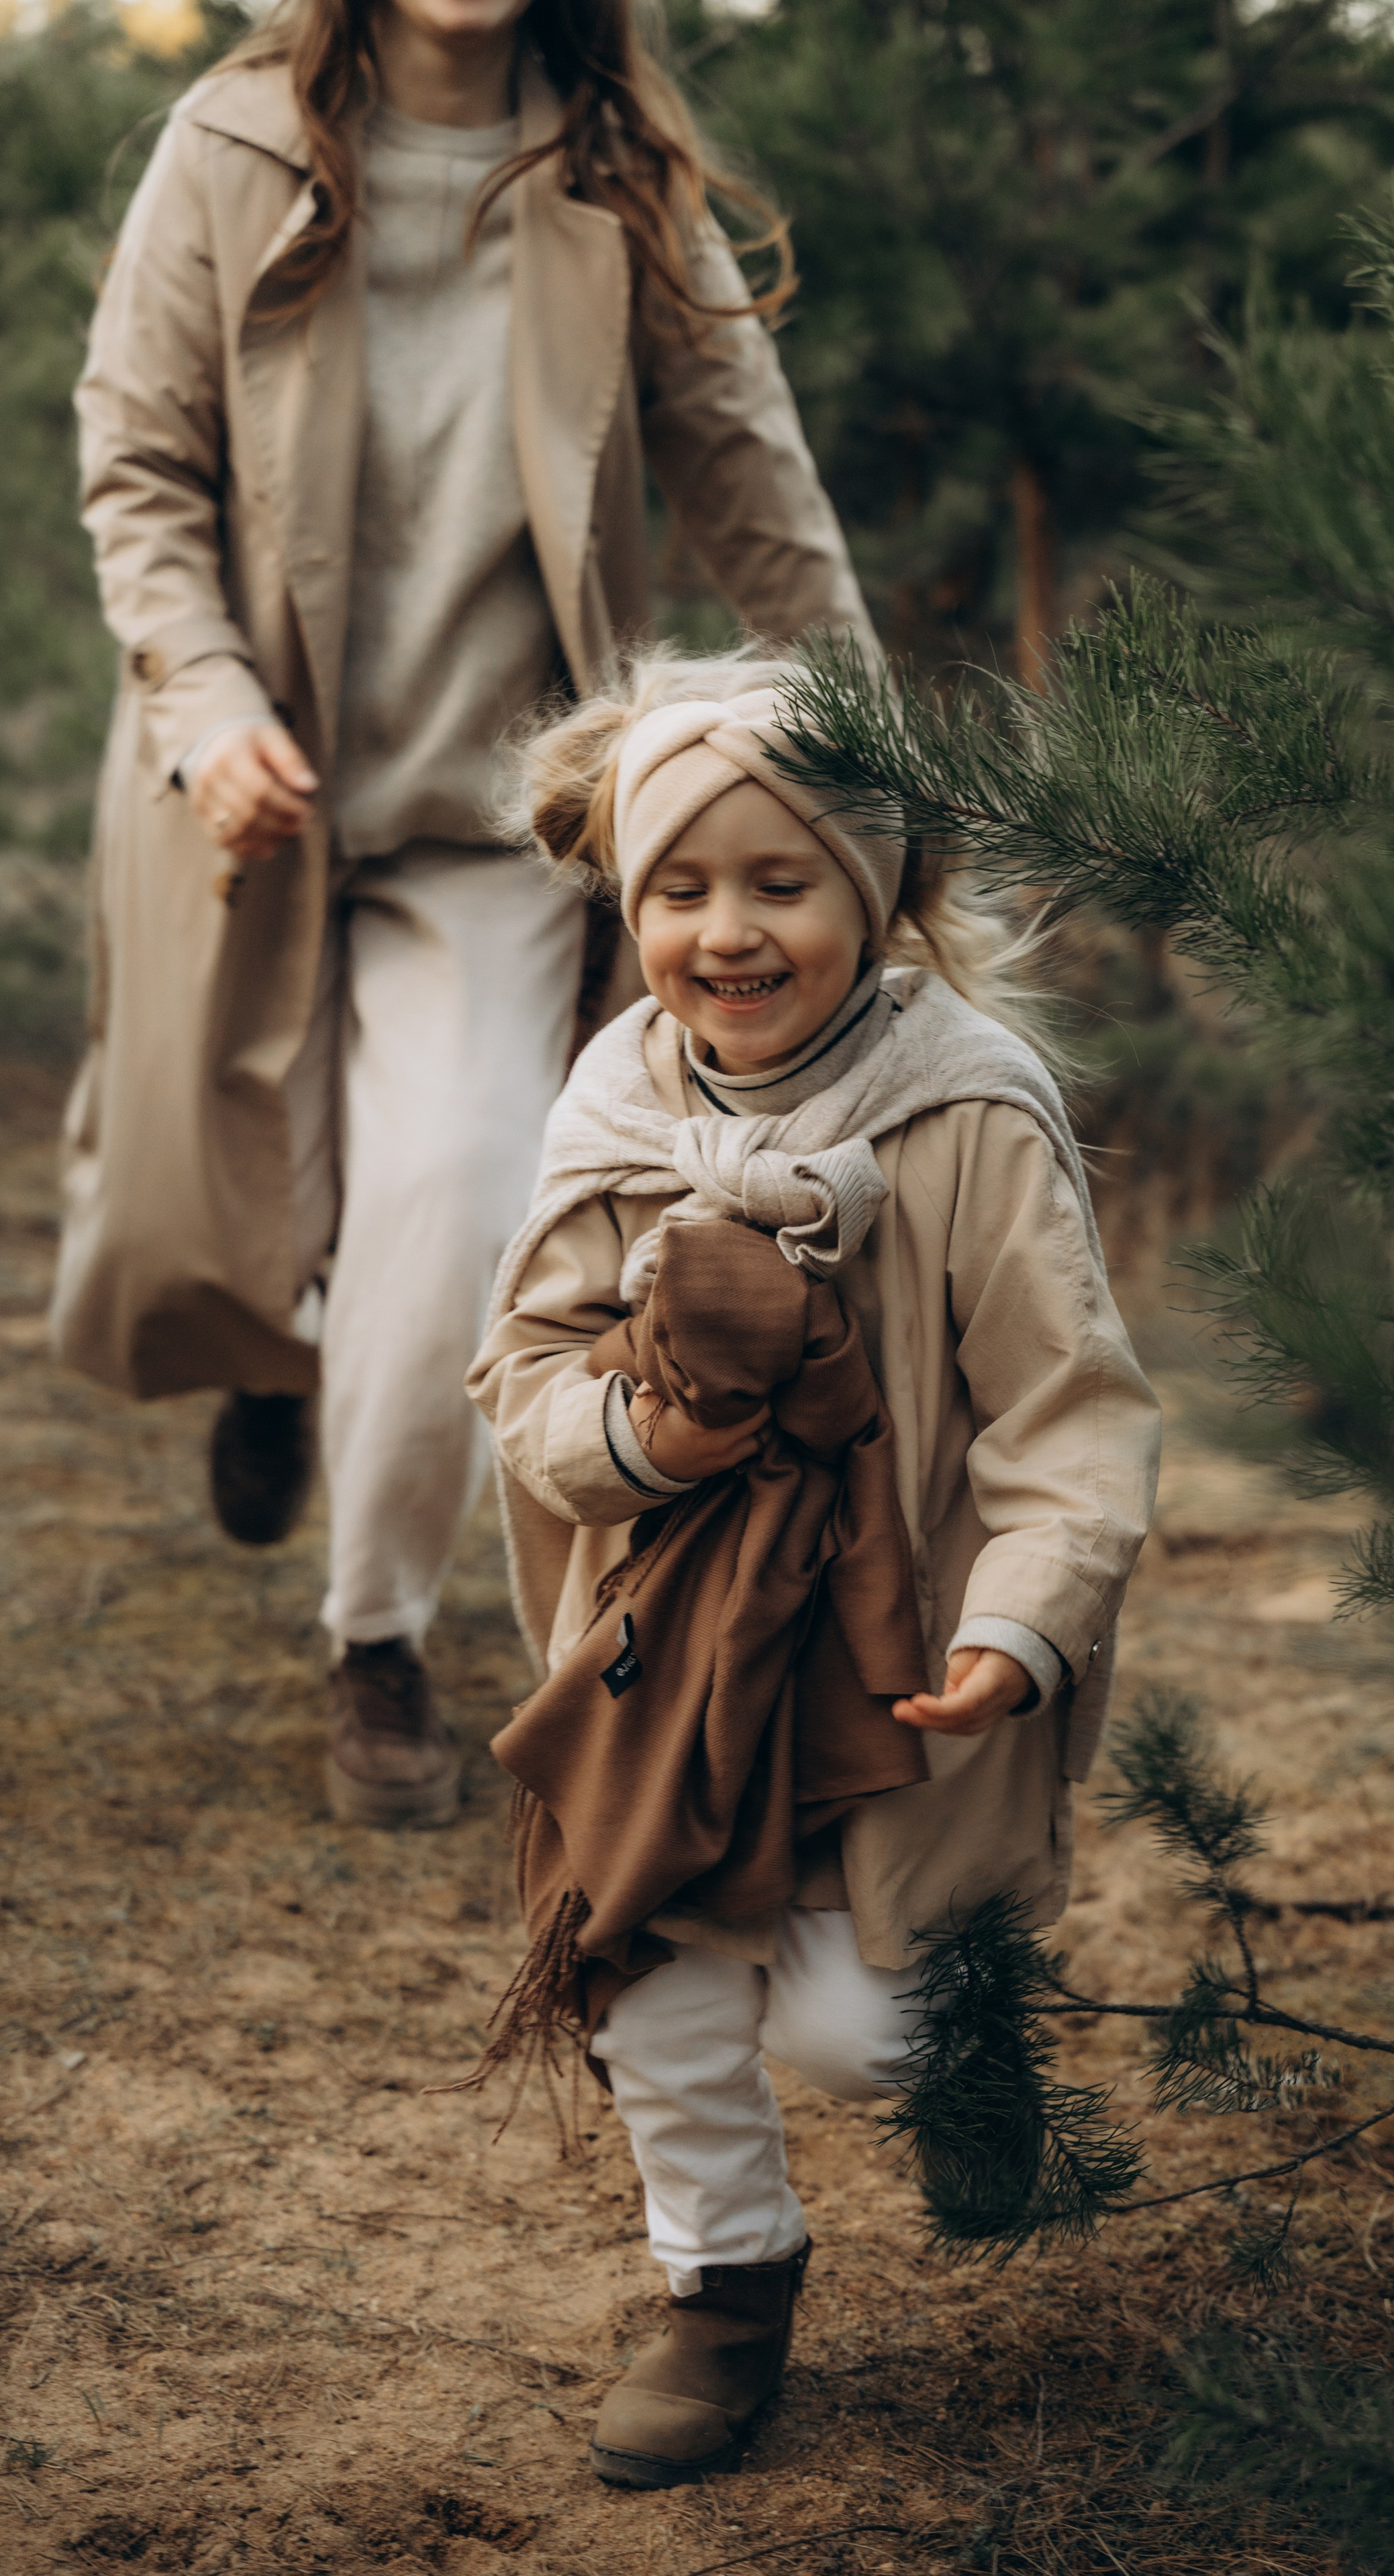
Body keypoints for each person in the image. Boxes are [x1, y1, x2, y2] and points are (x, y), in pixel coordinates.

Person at [51, 0, 873, 1828]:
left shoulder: (617, 174)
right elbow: (139, 468)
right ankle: (287, 1350)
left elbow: (751, 476)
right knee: (245, 1186)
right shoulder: (229, 144)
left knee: (468, 1200)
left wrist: (871, 741)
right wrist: (204, 705)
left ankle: (377, 1643)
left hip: (499, 817)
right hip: (249, 794)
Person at [464, 650, 1160, 2489]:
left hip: (892, 1658)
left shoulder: (968, 1111)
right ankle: (723, 2289)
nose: (729, 931)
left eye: (782, 884)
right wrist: (649, 1438)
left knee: (857, 2030)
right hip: (671, 1660)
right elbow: (525, 1381)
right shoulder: (613, 1108)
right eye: (680, 891)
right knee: (657, 1979)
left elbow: (1069, 1417)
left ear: (873, 892)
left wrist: (1018, 1627)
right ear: (629, 907)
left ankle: (961, 2029)